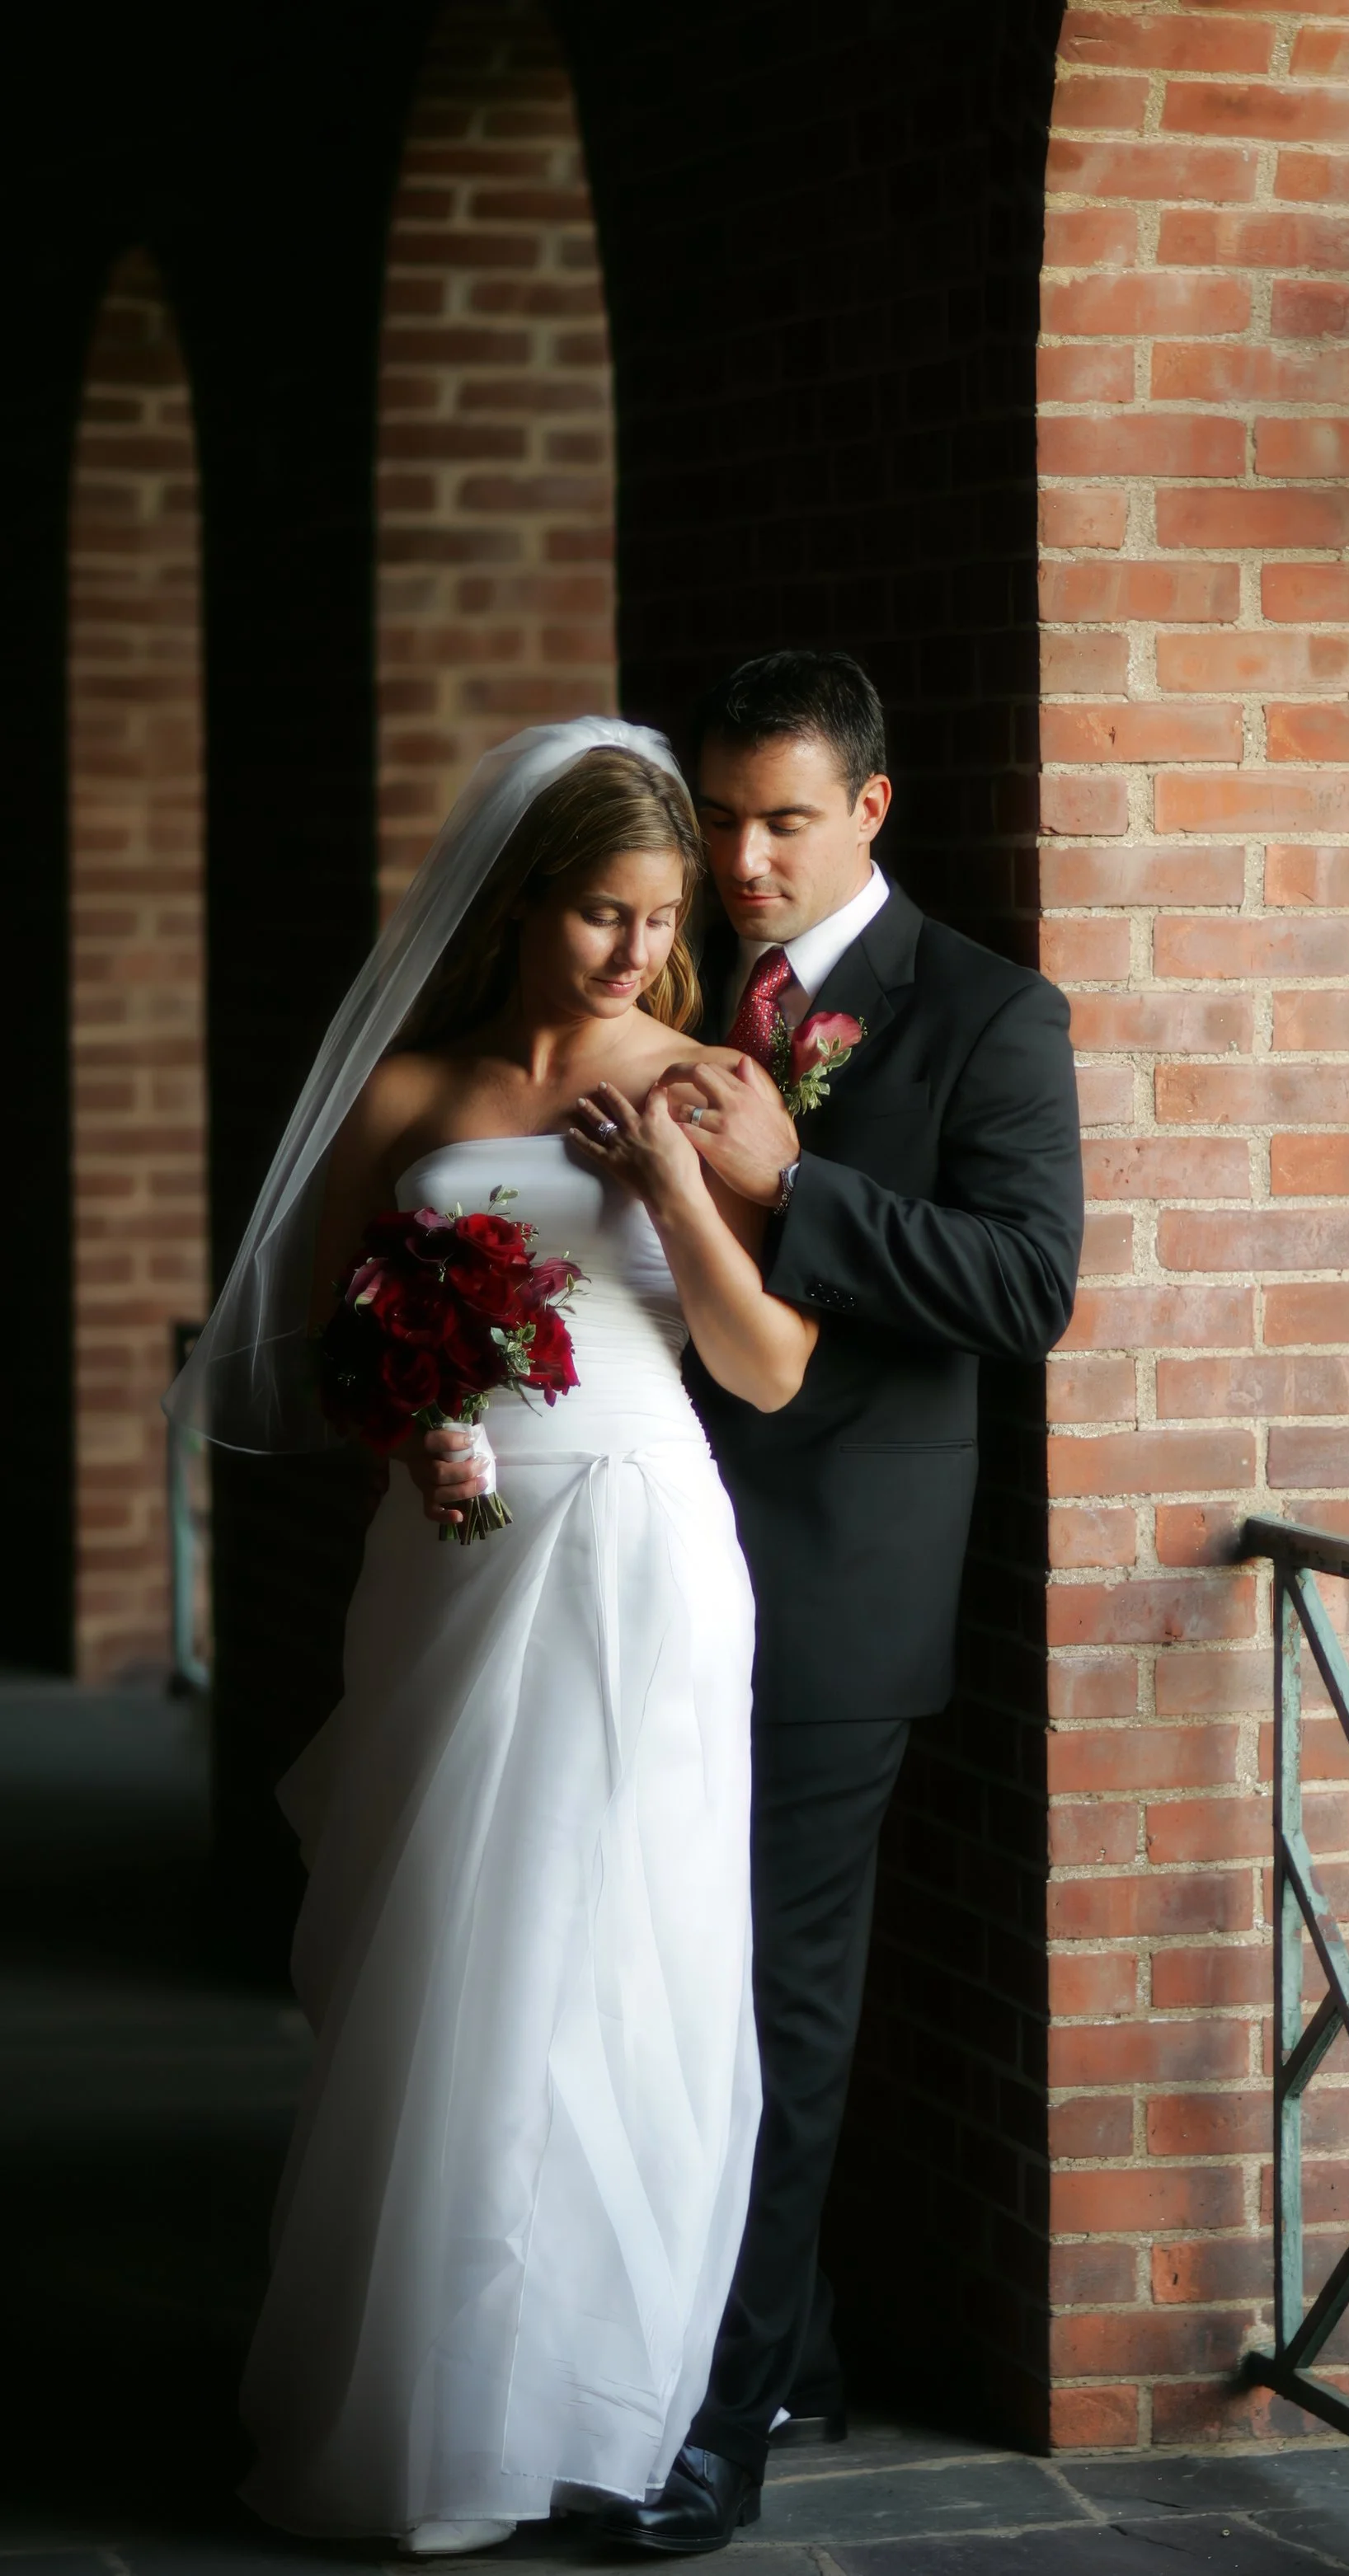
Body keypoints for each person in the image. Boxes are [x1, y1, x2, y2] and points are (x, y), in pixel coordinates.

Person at [168, 720, 811, 2553]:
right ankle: (423, 2402)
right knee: (441, 1953)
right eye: (602, 912)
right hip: (449, 1547)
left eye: (660, 917)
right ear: (523, 900)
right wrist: (418, 1421)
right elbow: (318, 1357)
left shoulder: (704, 1080)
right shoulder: (412, 1094)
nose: (633, 950)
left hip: (646, 1545)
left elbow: (769, 1362)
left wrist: (680, 1183)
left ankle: (590, 2401)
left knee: (617, 1959)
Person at [618, 650, 1085, 2549]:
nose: (739, 856)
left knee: (775, 2000)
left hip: (835, 1585)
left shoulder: (985, 1012)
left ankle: (716, 2420)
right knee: (644, 1963)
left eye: (782, 818)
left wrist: (793, 1172)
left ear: (869, 808)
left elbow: (1024, 1287)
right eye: (718, 814)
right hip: (633, 1547)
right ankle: (786, 2332)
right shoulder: (650, 978)